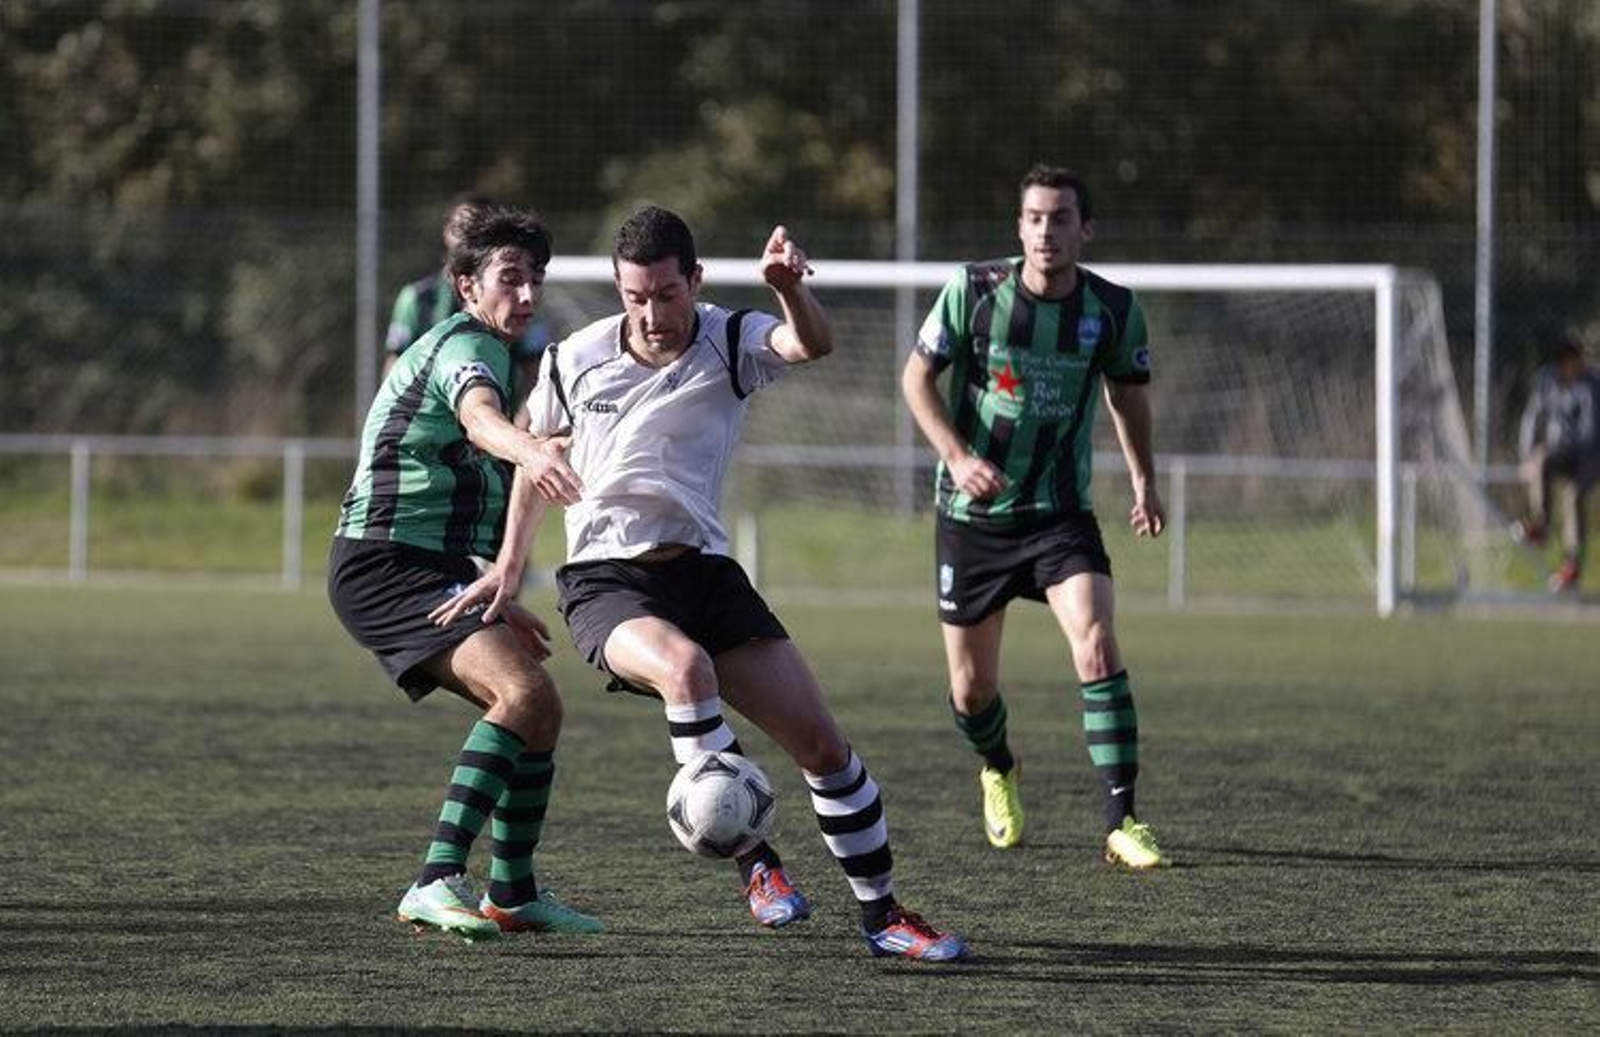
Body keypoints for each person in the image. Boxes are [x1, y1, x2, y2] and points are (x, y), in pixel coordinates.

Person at [435, 205, 970, 962]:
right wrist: (509, 565)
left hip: (706, 574)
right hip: (604, 582)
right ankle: (757, 864)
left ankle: (884, 916)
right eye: (635, 297)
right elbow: (533, 452)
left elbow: (810, 341)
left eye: (666, 293)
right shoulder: (574, 356)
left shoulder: (727, 337)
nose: (652, 314)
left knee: (824, 746)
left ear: (695, 279)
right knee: (686, 668)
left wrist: (788, 289)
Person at [329, 203, 600, 941]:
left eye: (535, 279)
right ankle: (434, 878)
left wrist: (490, 582)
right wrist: (531, 447)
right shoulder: (461, 345)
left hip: (432, 565)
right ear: (466, 285)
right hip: (381, 562)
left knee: (540, 708)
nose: (528, 294)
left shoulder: (503, 350)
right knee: (520, 691)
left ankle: (512, 893)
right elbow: (480, 418)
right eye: (510, 278)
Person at [899, 164, 1167, 869]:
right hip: (973, 513)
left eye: (1061, 217)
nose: (1047, 230)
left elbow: (1127, 395)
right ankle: (999, 767)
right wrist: (957, 456)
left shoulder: (1111, 309)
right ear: (1020, 227)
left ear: (1085, 229)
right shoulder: (975, 292)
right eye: (1035, 217)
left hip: (1059, 514)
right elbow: (916, 378)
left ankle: (1123, 820)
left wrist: (1144, 479)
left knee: (1098, 643)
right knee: (971, 688)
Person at [383, 192, 553, 407]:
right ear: (467, 288)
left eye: (479, 226)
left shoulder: (521, 302)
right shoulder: (417, 299)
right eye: (463, 226)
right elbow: (394, 362)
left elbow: (535, 375)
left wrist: (519, 429)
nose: (469, 234)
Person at [1512, 336, 1600, 593]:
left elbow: (1589, 434)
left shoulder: (1591, 387)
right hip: (1563, 453)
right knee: (1540, 463)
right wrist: (1527, 455)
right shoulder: (1548, 381)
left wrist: (1551, 449)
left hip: (1590, 456)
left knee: (1572, 498)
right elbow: (1532, 417)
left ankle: (1571, 566)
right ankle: (1540, 526)